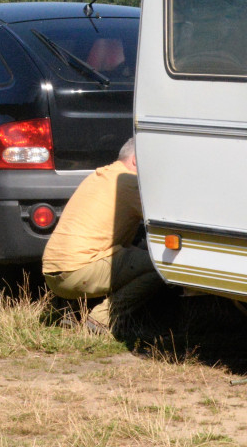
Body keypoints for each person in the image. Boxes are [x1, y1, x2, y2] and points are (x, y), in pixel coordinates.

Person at [41, 137, 163, 334]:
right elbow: (163, 221)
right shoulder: (128, 182)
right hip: (79, 272)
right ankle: (101, 320)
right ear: (135, 160)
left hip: (53, 274)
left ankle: (71, 313)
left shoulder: (99, 176)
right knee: (160, 267)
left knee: (132, 253)